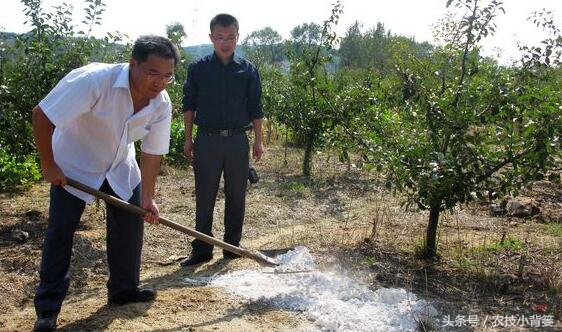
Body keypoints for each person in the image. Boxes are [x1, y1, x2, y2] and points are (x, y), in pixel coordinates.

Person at [31, 35, 179, 331]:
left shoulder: (161, 104)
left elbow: (152, 153)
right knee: (61, 232)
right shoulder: (94, 81)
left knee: (130, 225)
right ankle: (47, 309)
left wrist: (148, 197)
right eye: (152, 73)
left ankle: (123, 290)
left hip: (119, 166)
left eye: (167, 76)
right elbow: (42, 115)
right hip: (73, 166)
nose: (159, 83)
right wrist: (48, 165)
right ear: (133, 64)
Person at [180, 13, 264, 266]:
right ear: (211, 38)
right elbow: (189, 105)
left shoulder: (247, 70)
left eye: (230, 37)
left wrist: (259, 140)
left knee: (237, 195)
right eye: (220, 37)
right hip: (207, 140)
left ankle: (231, 246)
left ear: (237, 37)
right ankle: (202, 249)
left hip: (238, 140)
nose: (225, 43)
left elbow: (256, 108)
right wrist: (187, 139)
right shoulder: (198, 69)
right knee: (205, 195)